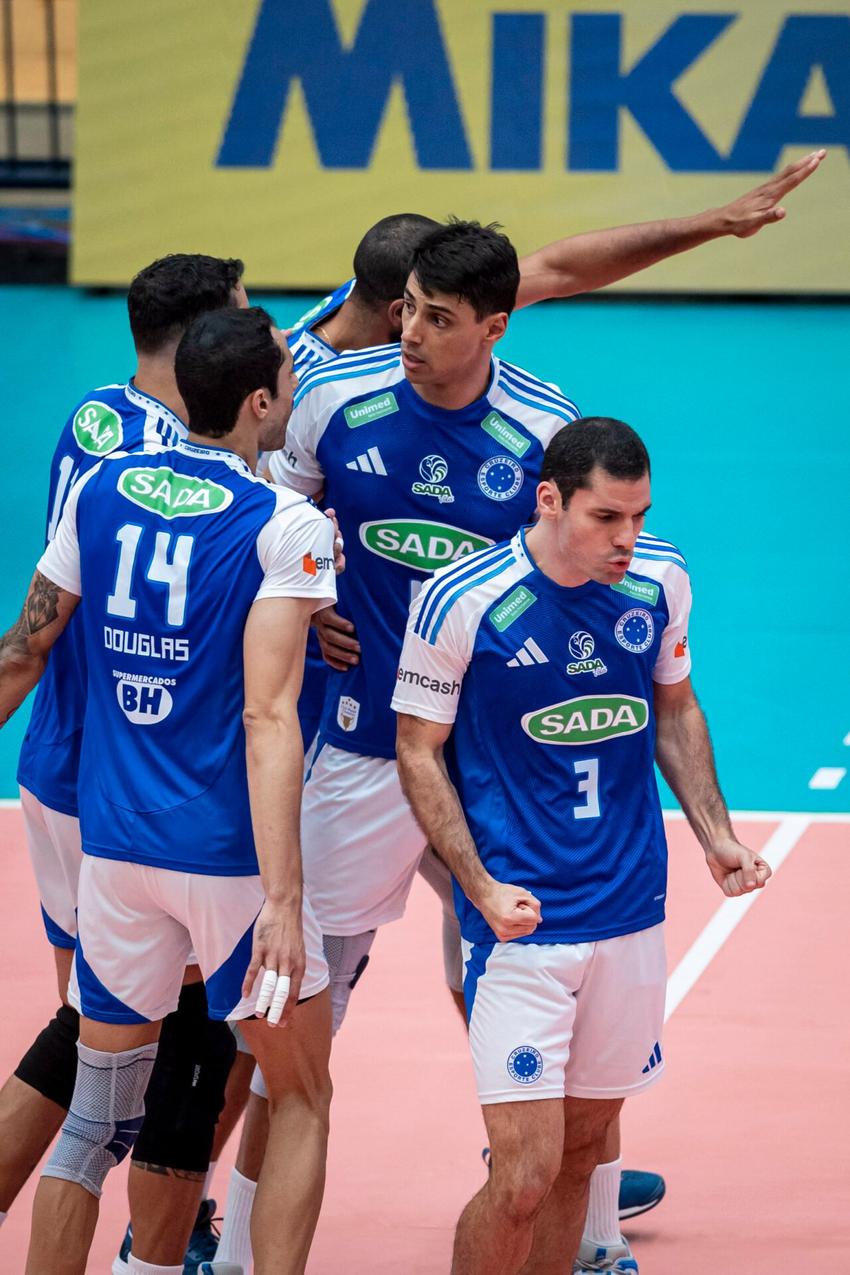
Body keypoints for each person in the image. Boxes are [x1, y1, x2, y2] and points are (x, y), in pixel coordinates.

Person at [217, 152, 824, 1264]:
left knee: (550, 980)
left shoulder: (543, 433)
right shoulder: (332, 401)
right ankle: (223, 1230)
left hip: (486, 766)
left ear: (493, 326)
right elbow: (272, 520)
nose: (405, 331)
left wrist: (716, 224)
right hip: (360, 746)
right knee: (288, 1019)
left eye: (433, 316)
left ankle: (578, 1225)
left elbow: (566, 265)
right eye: (402, 309)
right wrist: (307, 612)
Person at [0, 306, 337, 1275]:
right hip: (227, 862)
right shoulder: (284, 524)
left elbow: (27, 647)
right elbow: (269, 719)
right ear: (261, 403)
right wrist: (283, 897)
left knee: (94, 1125)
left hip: (114, 851)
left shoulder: (99, 491)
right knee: (302, 1093)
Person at [392, 418, 772, 1274]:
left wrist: (717, 834)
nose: (627, 539)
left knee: (581, 1150)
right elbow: (416, 748)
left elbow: (672, 705)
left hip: (631, 911)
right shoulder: (463, 599)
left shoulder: (660, 581)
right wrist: (478, 887)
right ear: (550, 499)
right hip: (523, 924)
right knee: (523, 1174)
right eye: (606, 518)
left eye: (638, 515)